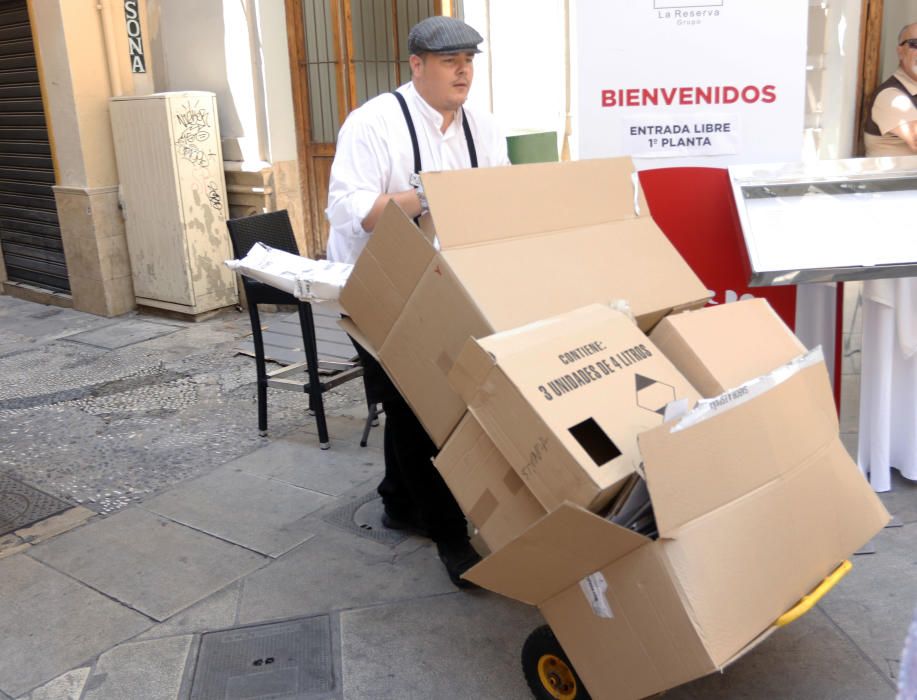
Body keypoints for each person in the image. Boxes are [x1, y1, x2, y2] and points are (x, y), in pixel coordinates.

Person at [325, 16, 510, 587]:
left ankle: (398, 501)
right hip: (381, 289)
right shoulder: (374, 123)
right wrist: (427, 193)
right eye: (450, 60)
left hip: (451, 283)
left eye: (470, 59)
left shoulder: (481, 125)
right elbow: (349, 208)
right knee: (418, 407)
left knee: (436, 400)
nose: (463, 71)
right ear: (416, 65)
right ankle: (450, 537)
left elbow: (495, 195)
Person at [858, 22, 917, 492]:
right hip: (899, 232)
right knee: (898, 346)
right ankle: (892, 453)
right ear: (900, 49)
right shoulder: (894, 97)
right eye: (916, 42)